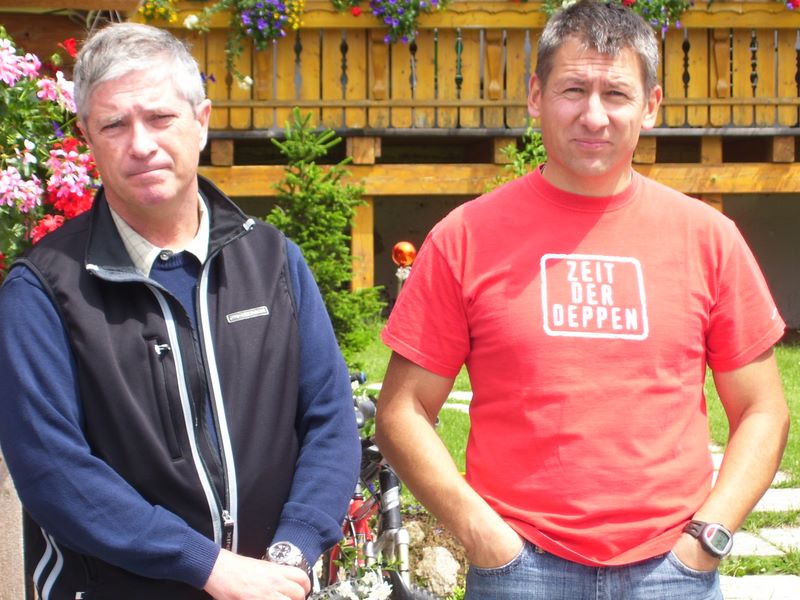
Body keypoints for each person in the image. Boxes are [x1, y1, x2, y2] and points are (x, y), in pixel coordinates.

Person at [374, 1, 790, 599]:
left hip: (671, 573)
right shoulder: (466, 237)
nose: (594, 116)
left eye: (616, 94)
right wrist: (483, 536)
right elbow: (402, 411)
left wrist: (709, 537)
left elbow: (763, 409)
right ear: (536, 95)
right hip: (521, 569)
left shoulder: (708, 238)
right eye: (573, 89)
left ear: (650, 106)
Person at [0, 22, 360, 600]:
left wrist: (290, 556)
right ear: (86, 138)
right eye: (114, 124)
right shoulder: (42, 290)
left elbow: (329, 418)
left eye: (160, 117)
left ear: (202, 121)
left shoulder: (272, 261)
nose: (141, 144)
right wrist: (209, 567)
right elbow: (53, 470)